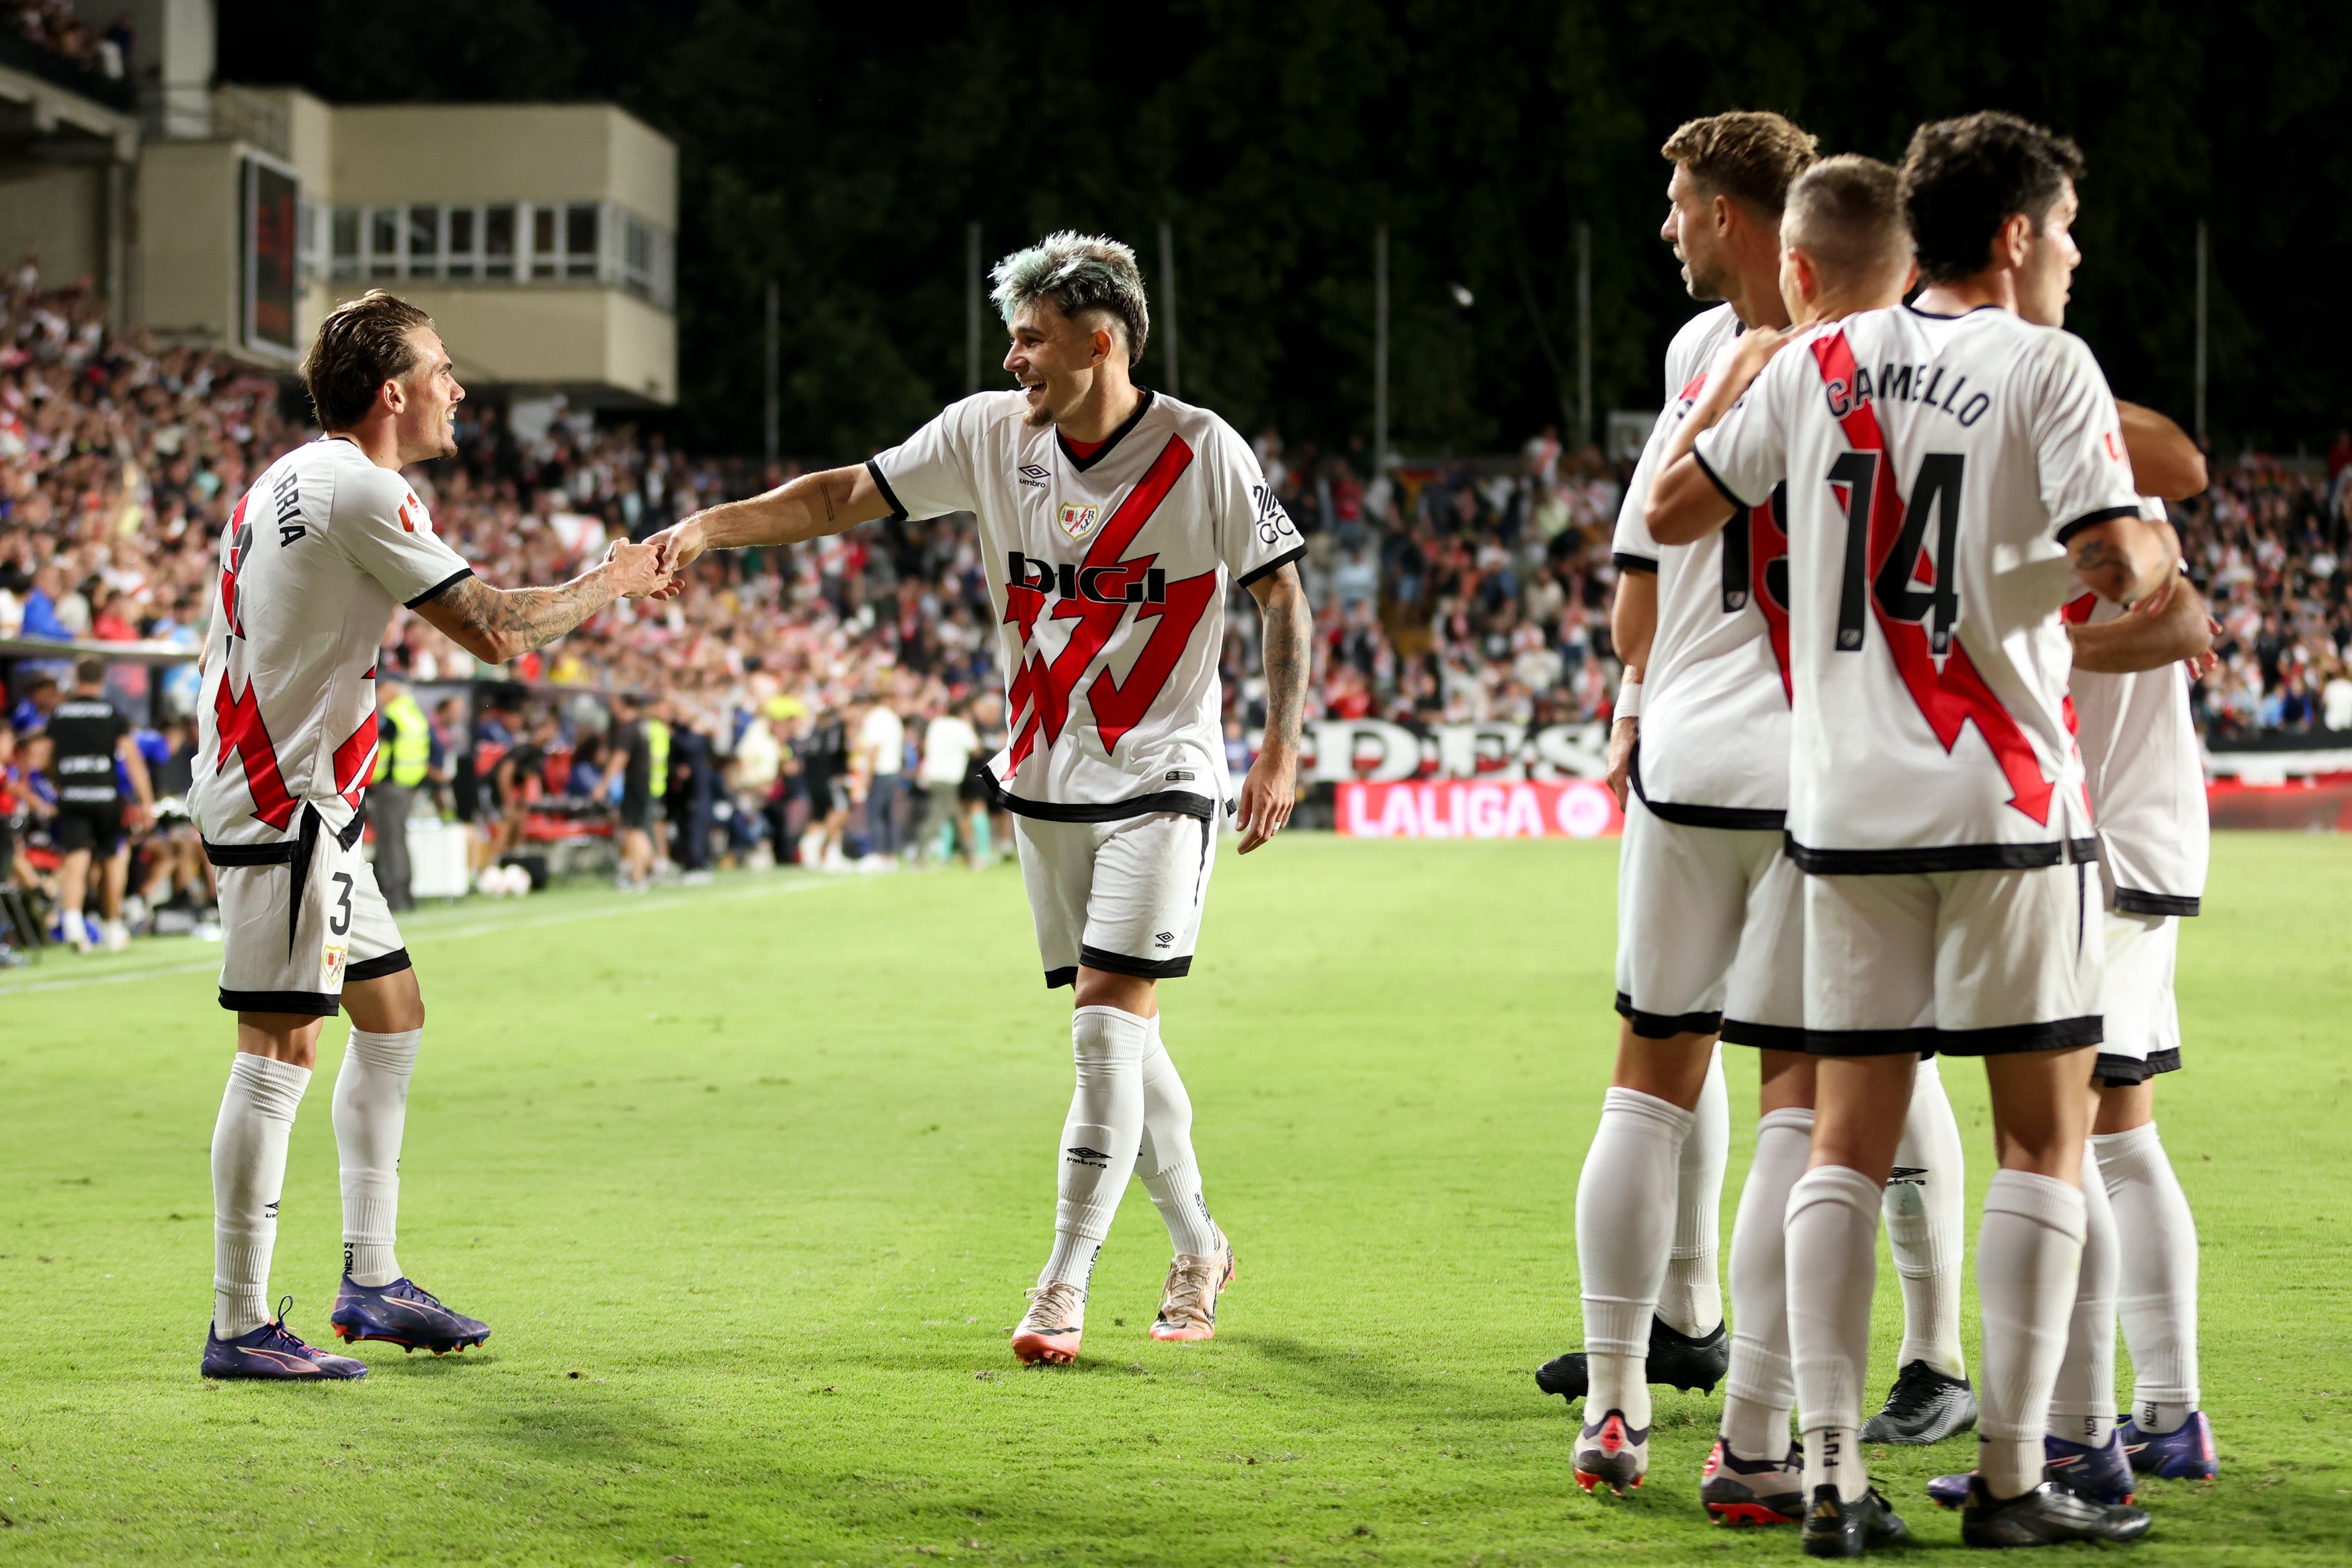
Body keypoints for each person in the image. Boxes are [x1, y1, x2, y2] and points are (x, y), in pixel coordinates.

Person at [1646, 111, 2177, 1551]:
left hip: (1843, 813)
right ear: (2010, 235)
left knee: (1835, 1138)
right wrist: (2137, 550)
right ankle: (2011, 1481)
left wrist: (1743, 383)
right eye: (2062, 230)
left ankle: (1827, 1480)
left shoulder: (1816, 359)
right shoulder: (2046, 365)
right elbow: (2118, 561)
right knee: (2038, 1144)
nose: (2069, 255)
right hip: (2002, 805)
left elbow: (1683, 507)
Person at [651, 232, 1312, 1363]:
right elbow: (842, 496)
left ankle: (1063, 1279)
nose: (1013, 359)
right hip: (1044, 777)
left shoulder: (1204, 451)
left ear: (1100, 340)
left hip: (1164, 774)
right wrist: (710, 526)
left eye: (1031, 338)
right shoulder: (986, 436)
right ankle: (1200, 1241)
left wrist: (1279, 746)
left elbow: (1282, 597)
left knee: (1105, 1031)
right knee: (1124, 1037)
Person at [1548, 123, 1972, 1515]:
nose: (1667, 228)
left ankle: (1616, 1404)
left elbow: (1630, 599)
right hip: (1831, 777)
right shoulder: (1931, 383)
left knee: (1645, 1076)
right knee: (1806, 1101)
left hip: (1690, 756)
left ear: (1782, 251)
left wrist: (1649, 699)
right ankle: (1752, 1441)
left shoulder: (1715, 378)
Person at [192, 289, 671, 1381]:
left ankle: (371, 1274)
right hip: (284, 798)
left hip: (305, 799)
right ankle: (238, 1321)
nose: (460, 388)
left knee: (392, 1012)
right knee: (279, 1044)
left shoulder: (291, 475)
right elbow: (497, 630)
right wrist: (619, 578)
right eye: (444, 369)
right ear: (394, 391)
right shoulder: (361, 483)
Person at [46, 656, 153, 953]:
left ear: (76, 677)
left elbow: (47, 756)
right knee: (114, 859)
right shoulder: (111, 713)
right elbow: (132, 759)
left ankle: (72, 924)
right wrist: (146, 801)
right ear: (102, 680)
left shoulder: (60, 713)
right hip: (105, 797)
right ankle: (113, 926)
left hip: (71, 796)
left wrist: (60, 781)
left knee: (75, 860)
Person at [369, 673, 431, 912]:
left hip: (391, 788)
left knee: (390, 843)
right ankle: (404, 894)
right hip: (408, 787)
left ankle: (394, 898)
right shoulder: (413, 714)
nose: (377, 696)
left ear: (391, 689)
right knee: (399, 842)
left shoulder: (393, 717)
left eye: (380, 690)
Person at [918, 697, 983, 865]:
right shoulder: (961, 726)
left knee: (955, 815)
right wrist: (969, 725)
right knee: (938, 816)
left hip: (933, 775)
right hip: (949, 777)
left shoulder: (936, 724)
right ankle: (919, 856)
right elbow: (976, 749)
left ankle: (968, 856)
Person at [601, 693, 657, 889]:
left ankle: (638, 874)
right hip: (644, 782)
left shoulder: (628, 729)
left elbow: (620, 758)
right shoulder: (642, 726)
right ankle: (651, 867)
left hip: (634, 783)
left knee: (633, 829)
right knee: (639, 827)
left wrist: (603, 786)